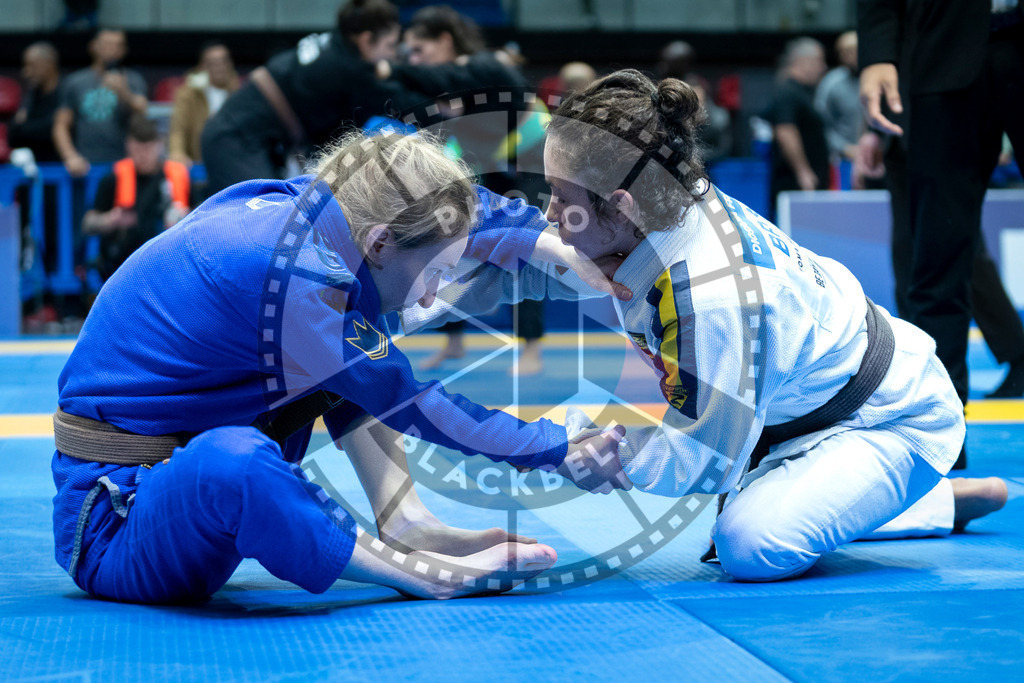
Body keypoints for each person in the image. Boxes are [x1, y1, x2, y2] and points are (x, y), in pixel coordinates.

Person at [410, 70, 1008, 583]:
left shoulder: (713, 298)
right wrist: (411, 307)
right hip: (792, 407)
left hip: (886, 417)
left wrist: (572, 441)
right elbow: (539, 264)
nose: (548, 213)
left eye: (560, 197)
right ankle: (902, 499)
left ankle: (900, 488)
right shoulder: (659, 201)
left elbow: (701, 460)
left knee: (749, 543)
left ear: (620, 206)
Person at [52, 131, 628, 605]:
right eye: (431, 273)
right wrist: (557, 448)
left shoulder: (330, 205)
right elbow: (413, 402)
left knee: (355, 331)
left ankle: (404, 521)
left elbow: (452, 203)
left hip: (184, 477)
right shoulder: (289, 277)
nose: (430, 299)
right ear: (380, 244)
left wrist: (556, 247)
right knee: (244, 455)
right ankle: (415, 572)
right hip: (117, 522)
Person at [858, 0, 1024, 417]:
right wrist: (879, 52)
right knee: (934, 252)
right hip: (941, 53)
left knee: (939, 252)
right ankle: (940, 426)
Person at [382, 4, 550, 374]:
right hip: (486, 169)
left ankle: (532, 346)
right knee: (450, 244)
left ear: (445, 41)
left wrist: (388, 65)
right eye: (408, 52)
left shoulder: (484, 66)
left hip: (530, 165)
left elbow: (525, 117)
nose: (414, 59)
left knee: (526, 248)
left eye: (420, 50)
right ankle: (454, 340)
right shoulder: (438, 86)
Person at [200, 0, 413, 195]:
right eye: (390, 45)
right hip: (235, 139)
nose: (391, 56)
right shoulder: (349, 69)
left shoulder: (335, 46)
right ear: (366, 40)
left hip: (242, 132)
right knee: (258, 218)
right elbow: (403, 102)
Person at [81, 115, 196, 282]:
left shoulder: (177, 176)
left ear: (160, 145)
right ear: (128, 146)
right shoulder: (113, 178)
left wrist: (186, 217)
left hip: (169, 267)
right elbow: (87, 224)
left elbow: (200, 214)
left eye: (148, 149)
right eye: (138, 149)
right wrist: (110, 220)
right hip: (122, 268)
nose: (143, 155)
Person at [52, 28, 148, 177]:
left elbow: (143, 110)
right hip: (85, 165)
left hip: (125, 165)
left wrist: (124, 93)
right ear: (93, 46)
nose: (112, 50)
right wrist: (70, 156)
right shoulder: (75, 82)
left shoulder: (133, 80)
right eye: (107, 44)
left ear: (124, 50)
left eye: (118, 45)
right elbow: (61, 125)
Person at [763, 38, 830, 216]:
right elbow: (785, 132)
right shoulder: (788, 92)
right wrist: (803, 172)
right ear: (803, 61)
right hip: (795, 185)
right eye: (819, 61)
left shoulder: (801, 92)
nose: (823, 67)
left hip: (806, 184)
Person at [167, 42, 240, 167]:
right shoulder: (188, 94)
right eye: (212, 63)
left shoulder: (239, 94)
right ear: (202, 67)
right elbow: (178, 129)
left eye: (223, 61)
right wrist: (177, 153)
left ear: (230, 64)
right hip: (198, 163)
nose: (219, 67)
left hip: (232, 163)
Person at [815, 31, 863, 173]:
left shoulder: (877, 78)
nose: (850, 55)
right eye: (845, 51)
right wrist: (844, 147)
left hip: (878, 155)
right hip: (842, 160)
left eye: (854, 49)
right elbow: (821, 125)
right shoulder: (831, 83)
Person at [9, 42, 62, 164]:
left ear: (49, 64)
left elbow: (53, 132)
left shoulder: (66, 91)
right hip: (35, 167)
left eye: (32, 65)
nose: (26, 72)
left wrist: (26, 127)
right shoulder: (32, 95)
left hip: (62, 167)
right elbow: (13, 136)